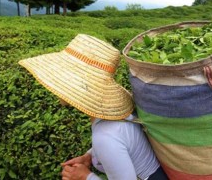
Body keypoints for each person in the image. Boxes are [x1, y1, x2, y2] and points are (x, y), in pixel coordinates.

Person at [19, 34, 168, 180]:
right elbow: (124, 142)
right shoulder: (112, 119)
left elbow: (111, 140)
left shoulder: (105, 136)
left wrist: (85, 177)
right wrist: (89, 156)